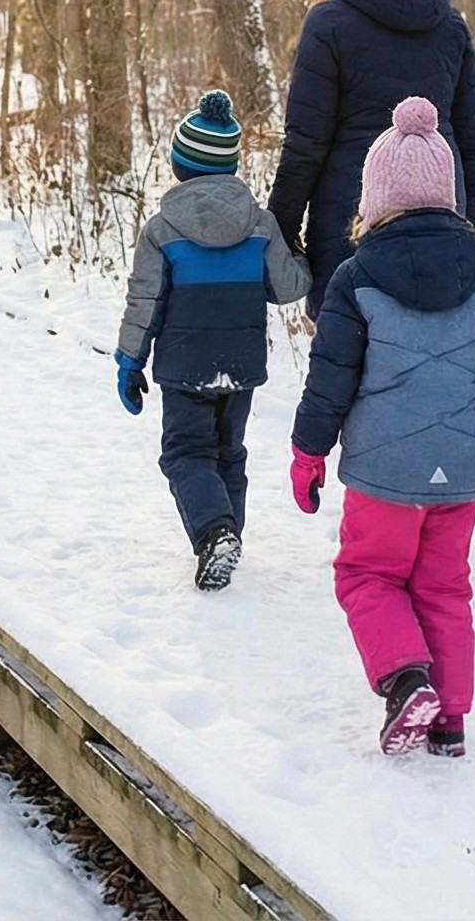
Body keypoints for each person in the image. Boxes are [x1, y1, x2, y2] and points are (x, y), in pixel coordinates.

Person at [289, 99, 475, 757]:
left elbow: (330, 379)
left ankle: (407, 680)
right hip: (460, 473)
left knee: (367, 575)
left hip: (385, 473)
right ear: (449, 197)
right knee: (443, 585)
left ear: (375, 198)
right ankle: (452, 720)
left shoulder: (355, 280)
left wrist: (307, 452)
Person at [269, 0, 475, 313]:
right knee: (432, 363)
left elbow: (306, 142)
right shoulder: (450, 24)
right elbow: (472, 140)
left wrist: (281, 226)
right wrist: (468, 222)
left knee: (348, 363)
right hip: (442, 220)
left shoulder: (327, 22)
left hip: (352, 224)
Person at [117, 90, 312, 591]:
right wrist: (305, 256)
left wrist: (128, 361)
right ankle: (228, 538)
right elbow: (287, 287)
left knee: (185, 453)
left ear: (179, 166)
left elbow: (146, 299)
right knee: (229, 451)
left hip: (184, 367)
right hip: (241, 365)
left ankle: (215, 534)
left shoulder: (161, 231)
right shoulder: (261, 226)